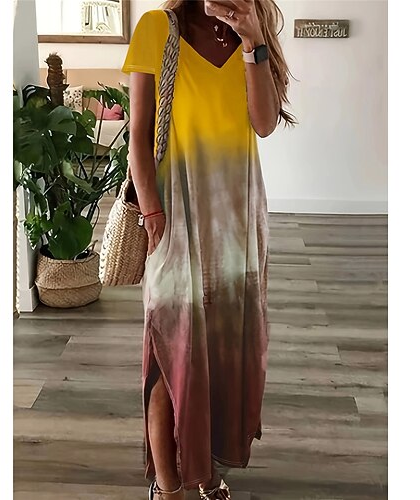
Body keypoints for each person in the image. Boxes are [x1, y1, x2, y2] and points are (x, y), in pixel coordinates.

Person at [121, 1, 295, 498]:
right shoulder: (157, 28)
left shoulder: (251, 35)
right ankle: (169, 487)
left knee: (220, 353)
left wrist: (253, 40)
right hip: (174, 214)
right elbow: (137, 136)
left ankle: (205, 468)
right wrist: (152, 212)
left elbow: (264, 123)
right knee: (169, 350)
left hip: (236, 221)